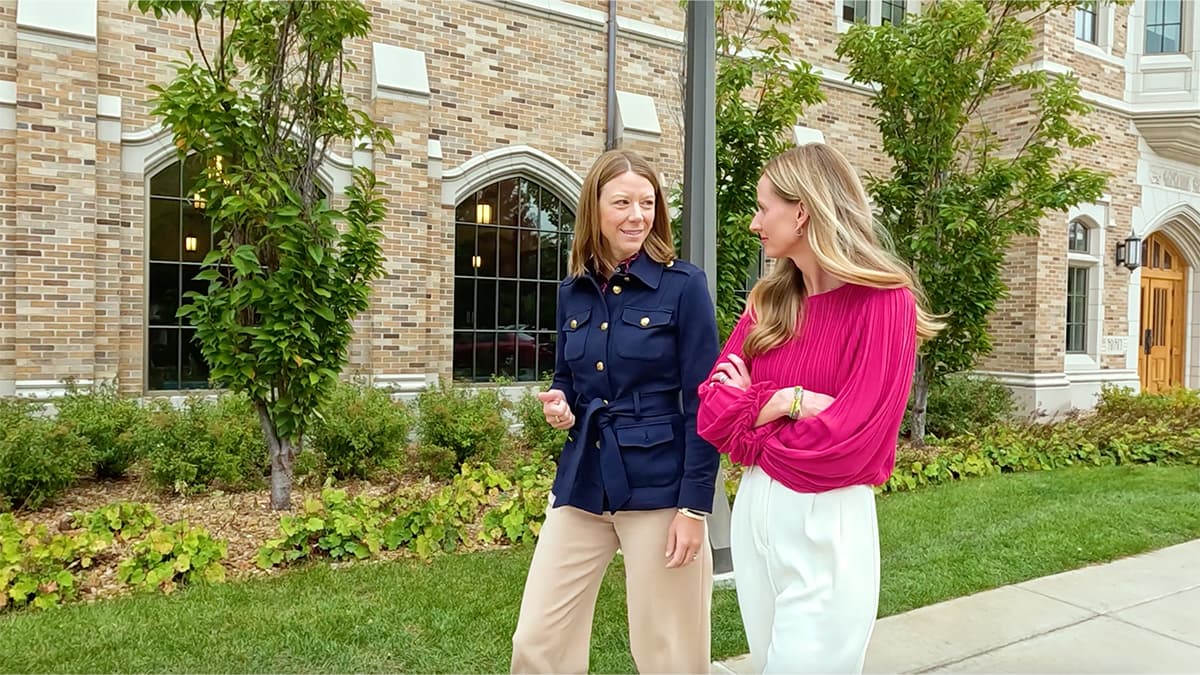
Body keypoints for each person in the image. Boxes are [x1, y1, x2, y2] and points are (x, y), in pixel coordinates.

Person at [696, 143, 943, 674]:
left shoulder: (885, 302)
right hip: (755, 520)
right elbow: (711, 413)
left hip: (825, 523)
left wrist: (750, 419)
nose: (754, 222)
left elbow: (852, 444)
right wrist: (789, 402)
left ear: (802, 211)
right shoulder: (769, 302)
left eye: (764, 208)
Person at [510, 149, 720, 675]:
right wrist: (559, 404)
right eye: (622, 202)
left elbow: (705, 404)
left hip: (658, 489)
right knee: (538, 640)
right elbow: (567, 377)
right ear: (595, 210)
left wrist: (694, 509)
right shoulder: (572, 292)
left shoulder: (683, 286)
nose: (636, 215)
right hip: (583, 482)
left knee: (666, 650)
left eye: (647, 203)